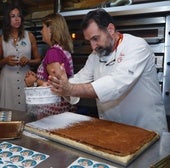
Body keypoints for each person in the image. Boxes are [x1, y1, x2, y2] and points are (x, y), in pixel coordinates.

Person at [48, 9, 168, 134]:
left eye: (95, 38)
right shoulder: (95, 55)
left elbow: (116, 84)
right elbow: (80, 78)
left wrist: (70, 89)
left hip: (146, 128)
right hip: (114, 129)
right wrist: (58, 84)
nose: (93, 46)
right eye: (89, 41)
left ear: (110, 29)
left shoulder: (137, 46)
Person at [24, 13, 77, 119]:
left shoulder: (53, 53)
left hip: (53, 113)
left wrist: (34, 81)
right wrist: (37, 77)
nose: (41, 31)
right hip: (62, 111)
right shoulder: (61, 49)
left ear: (51, 29)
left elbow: (57, 86)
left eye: (43, 27)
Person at [0, 4, 41, 111]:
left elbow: (38, 60)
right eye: (13, 16)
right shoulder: (2, 39)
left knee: (26, 111)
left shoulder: (30, 36)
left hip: (25, 79)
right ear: (7, 19)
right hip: (7, 81)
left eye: (18, 16)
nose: (17, 19)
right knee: (7, 112)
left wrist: (28, 61)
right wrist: (5, 61)